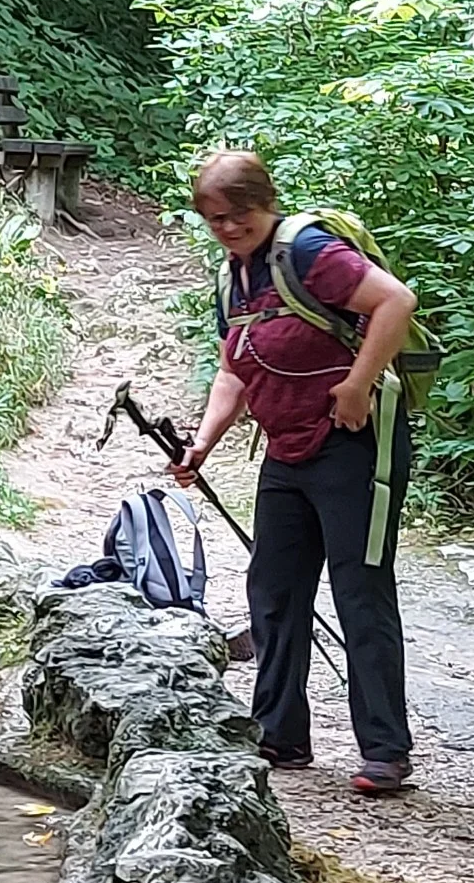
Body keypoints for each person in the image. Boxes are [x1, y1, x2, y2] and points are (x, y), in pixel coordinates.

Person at [172, 149, 419, 796]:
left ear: (264, 203)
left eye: (236, 215)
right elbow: (234, 369)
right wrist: (201, 443)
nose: (226, 228)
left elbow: (395, 301)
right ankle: (279, 734)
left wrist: (358, 385)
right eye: (214, 218)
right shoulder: (237, 276)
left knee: (358, 591)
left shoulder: (305, 251)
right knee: (275, 592)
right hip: (286, 448)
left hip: (355, 443)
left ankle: (386, 752)